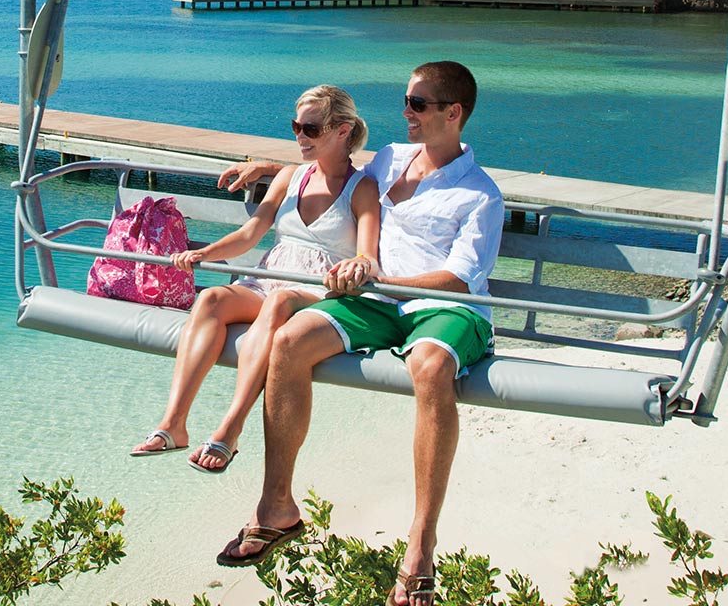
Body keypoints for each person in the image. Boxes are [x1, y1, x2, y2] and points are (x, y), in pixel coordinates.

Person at [210, 62, 503, 606]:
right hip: (376, 300)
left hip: (444, 305)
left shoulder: (481, 194)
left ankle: (421, 541)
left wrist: (377, 274)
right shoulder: (391, 158)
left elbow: (462, 278)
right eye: (406, 101)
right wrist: (270, 168)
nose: (405, 112)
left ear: (453, 113)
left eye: (417, 104)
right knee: (289, 340)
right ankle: (277, 505)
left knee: (431, 366)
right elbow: (335, 170)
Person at [129, 85, 382, 476]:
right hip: (270, 278)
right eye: (296, 126)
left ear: (342, 131)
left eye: (310, 130)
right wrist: (202, 253)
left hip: (320, 293)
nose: (299, 137)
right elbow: (251, 233)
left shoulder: (361, 188)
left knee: (281, 305)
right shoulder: (290, 177)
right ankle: (173, 423)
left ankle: (230, 428)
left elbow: (368, 253)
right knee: (212, 298)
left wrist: (361, 265)